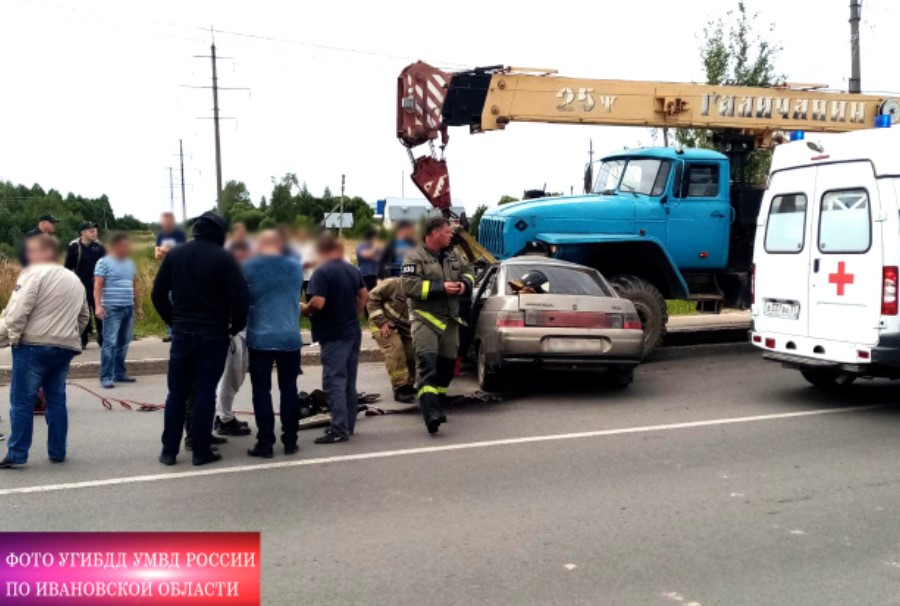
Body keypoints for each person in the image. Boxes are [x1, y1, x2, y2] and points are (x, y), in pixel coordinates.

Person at [152, 212, 249, 466]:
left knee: (176, 394)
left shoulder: (175, 254)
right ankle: (200, 450)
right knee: (206, 392)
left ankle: (168, 451)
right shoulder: (224, 258)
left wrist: (173, 321)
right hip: (214, 333)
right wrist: (234, 327)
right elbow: (241, 298)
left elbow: (157, 293)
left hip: (183, 333)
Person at [0, 234, 89, 468]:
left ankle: (18, 454)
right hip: (64, 347)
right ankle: (58, 452)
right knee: (56, 400)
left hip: (33, 346)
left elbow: (18, 311)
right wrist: (69, 336)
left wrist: (13, 337)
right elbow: (84, 317)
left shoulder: (33, 273)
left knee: (21, 401)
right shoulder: (75, 280)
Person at [402, 216, 474, 434]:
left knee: (448, 367)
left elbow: (469, 270)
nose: (451, 234)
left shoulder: (454, 254)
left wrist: (464, 285)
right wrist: (440, 287)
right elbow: (409, 287)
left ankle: (438, 401)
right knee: (428, 368)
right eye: (447, 231)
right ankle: (430, 413)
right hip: (425, 319)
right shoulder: (414, 256)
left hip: (450, 320)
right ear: (434, 232)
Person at [302, 233, 368, 444]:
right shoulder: (351, 269)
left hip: (333, 335)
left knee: (334, 382)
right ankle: (348, 425)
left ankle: (338, 429)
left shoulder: (321, 272)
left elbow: (318, 304)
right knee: (349, 381)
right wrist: (355, 314)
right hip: (352, 331)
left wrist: (305, 309)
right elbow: (364, 295)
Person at [243, 230, 304, 458]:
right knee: (289, 390)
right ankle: (290, 441)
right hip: (290, 337)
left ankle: (265, 443)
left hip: (260, 338)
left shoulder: (249, 265)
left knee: (262, 391)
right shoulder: (295, 265)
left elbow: (244, 298)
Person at [214, 239, 254, 437]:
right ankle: (224, 419)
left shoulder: (243, 273)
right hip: (232, 330)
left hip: (242, 328)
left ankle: (222, 414)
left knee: (236, 375)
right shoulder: (226, 274)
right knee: (231, 376)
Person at [94, 233, 140, 388]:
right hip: (112, 308)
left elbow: (135, 285)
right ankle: (105, 376)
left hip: (128, 307)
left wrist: (138, 306)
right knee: (110, 342)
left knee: (124, 342)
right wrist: (98, 306)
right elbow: (98, 285)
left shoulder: (130, 263)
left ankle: (119, 373)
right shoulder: (103, 262)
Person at [367, 277, 416, 403]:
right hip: (381, 324)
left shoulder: (419, 288)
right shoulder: (392, 284)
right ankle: (400, 387)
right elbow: (372, 298)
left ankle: (409, 385)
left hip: (405, 327)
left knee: (412, 352)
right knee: (396, 348)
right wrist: (382, 322)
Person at [64, 221, 106, 349]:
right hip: (81, 285)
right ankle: (83, 339)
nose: (95, 233)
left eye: (95, 230)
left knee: (100, 311)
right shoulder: (75, 247)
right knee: (83, 313)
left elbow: (107, 264)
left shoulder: (100, 247)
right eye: (91, 231)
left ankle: (103, 338)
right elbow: (67, 268)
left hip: (97, 285)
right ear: (83, 233)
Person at [155, 212, 187, 343]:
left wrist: (164, 250)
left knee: (179, 301)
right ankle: (171, 331)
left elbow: (182, 252)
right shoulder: (161, 236)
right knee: (166, 300)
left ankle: (180, 329)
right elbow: (156, 255)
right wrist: (167, 250)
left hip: (179, 272)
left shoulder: (180, 235)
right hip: (166, 272)